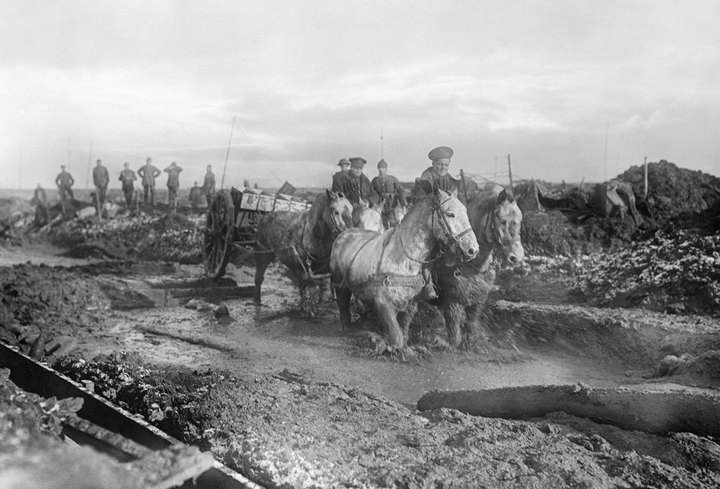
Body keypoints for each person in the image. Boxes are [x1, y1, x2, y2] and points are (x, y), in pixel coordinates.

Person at [413, 146, 458, 300]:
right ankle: (427, 282)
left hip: (445, 221)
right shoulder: (425, 180)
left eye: (446, 165)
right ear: (433, 164)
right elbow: (419, 201)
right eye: (440, 165)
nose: (443, 168)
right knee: (428, 247)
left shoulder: (451, 181)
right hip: (427, 221)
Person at [371, 159, 407, 228]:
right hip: (380, 205)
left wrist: (403, 199)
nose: (381, 170)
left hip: (392, 204)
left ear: (386, 169)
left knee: (394, 222)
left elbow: (401, 190)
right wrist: (373, 203)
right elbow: (371, 192)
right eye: (380, 168)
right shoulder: (375, 180)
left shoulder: (392, 179)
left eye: (383, 168)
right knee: (381, 223)